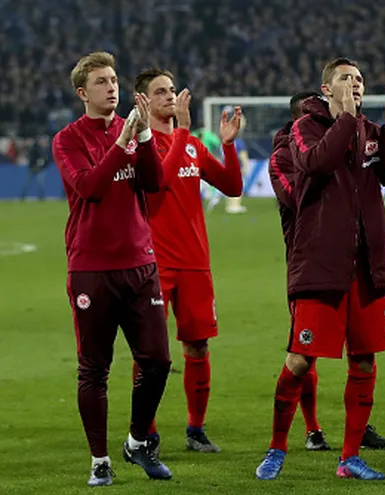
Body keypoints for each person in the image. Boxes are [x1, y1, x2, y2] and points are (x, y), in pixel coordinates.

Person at [255, 58, 385, 481]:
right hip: (320, 266)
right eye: (346, 79)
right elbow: (317, 163)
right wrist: (344, 119)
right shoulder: (304, 129)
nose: (355, 84)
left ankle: (349, 457)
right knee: (301, 360)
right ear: (326, 88)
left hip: (365, 269)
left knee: (364, 362)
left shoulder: (372, 133)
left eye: (360, 79)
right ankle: (277, 447)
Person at [52, 51, 172, 486]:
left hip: (141, 264)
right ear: (83, 92)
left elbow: (155, 184)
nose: (112, 87)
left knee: (158, 360)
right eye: (102, 82)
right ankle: (99, 460)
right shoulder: (68, 139)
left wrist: (141, 139)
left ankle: (137, 441)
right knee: (94, 369)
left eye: (114, 80)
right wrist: (123, 142)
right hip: (92, 269)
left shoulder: (134, 131)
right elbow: (91, 188)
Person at [135, 67, 245, 455]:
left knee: (198, 346)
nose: (171, 96)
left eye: (172, 90)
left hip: (196, 263)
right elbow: (159, 184)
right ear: (144, 101)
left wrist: (228, 146)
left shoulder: (195, 147)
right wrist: (182, 131)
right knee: (149, 351)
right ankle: (144, 431)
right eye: (161, 92)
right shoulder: (140, 146)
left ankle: (195, 430)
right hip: (153, 263)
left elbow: (232, 186)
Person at [20, 135, 51, 200]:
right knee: (27, 183)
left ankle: (42, 197)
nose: (44, 142)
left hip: (40, 169)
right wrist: (36, 162)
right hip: (32, 168)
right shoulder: (34, 148)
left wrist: (43, 164)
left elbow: (47, 159)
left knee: (41, 183)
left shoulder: (45, 149)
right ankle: (22, 196)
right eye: (43, 141)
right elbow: (31, 157)